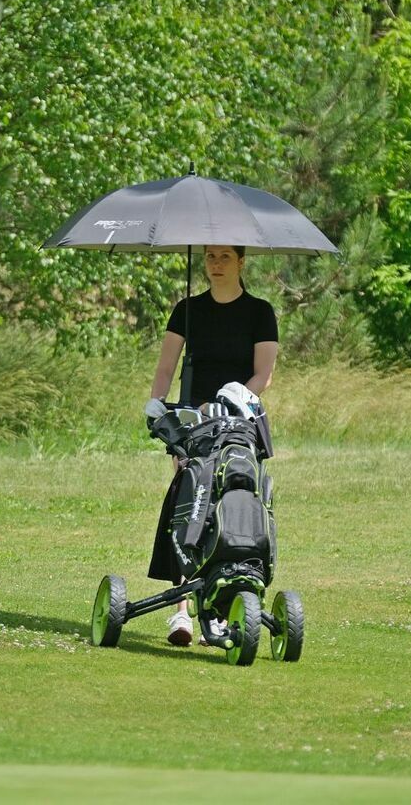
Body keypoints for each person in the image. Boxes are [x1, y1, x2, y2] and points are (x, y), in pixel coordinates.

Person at [145, 244, 278, 645]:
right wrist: (156, 407)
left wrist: (227, 400)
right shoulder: (187, 309)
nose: (215, 265)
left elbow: (263, 375)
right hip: (192, 424)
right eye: (209, 257)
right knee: (192, 506)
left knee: (232, 505)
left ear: (241, 262)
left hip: (239, 420)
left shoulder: (260, 312)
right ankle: (182, 613)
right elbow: (166, 366)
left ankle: (222, 609)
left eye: (224, 257)